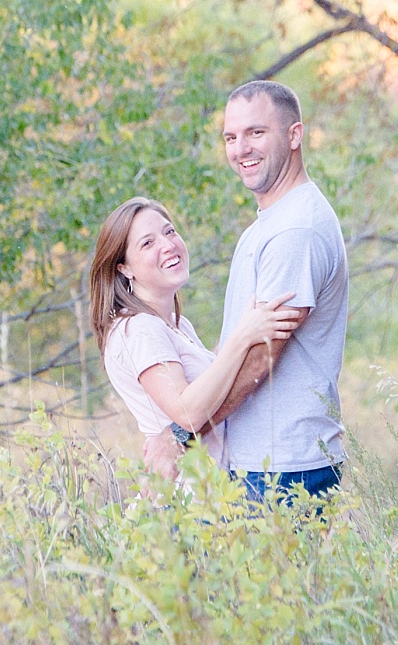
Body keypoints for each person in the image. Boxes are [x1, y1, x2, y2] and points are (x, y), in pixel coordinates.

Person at [88, 193, 304, 481]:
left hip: (210, 490)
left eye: (170, 232)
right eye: (148, 243)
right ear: (124, 267)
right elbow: (187, 412)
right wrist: (243, 336)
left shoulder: (176, 325)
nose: (167, 245)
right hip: (186, 496)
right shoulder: (139, 330)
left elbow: (212, 380)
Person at [215, 79, 351, 508]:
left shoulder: (297, 229)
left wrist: (190, 428)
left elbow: (262, 354)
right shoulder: (273, 220)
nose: (241, 149)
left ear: (294, 135)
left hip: (282, 470)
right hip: (263, 462)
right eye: (231, 137)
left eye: (256, 133)